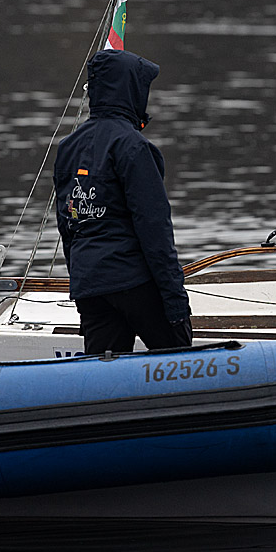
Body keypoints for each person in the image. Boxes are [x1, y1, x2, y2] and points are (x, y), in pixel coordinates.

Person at [54, 49, 192, 355]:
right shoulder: (134, 147)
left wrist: (80, 283)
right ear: (131, 90)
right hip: (134, 282)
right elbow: (154, 229)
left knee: (102, 377)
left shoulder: (67, 147)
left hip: (90, 286)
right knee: (179, 359)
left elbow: (67, 226)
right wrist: (175, 300)